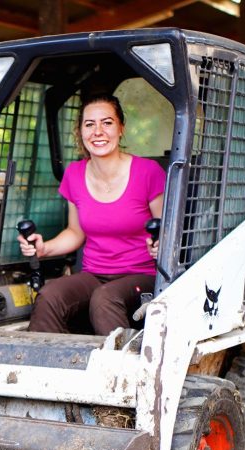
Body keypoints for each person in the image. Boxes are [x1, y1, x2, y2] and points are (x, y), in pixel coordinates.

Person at [18, 94, 166, 335]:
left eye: (107, 123)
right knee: (50, 295)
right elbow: (75, 232)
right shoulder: (74, 175)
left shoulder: (148, 172)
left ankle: (119, 370)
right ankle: (49, 368)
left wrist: (161, 245)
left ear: (120, 128)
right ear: (80, 132)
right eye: (90, 124)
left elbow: (166, 231)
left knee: (104, 299)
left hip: (142, 276)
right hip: (95, 273)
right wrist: (44, 248)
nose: (98, 131)